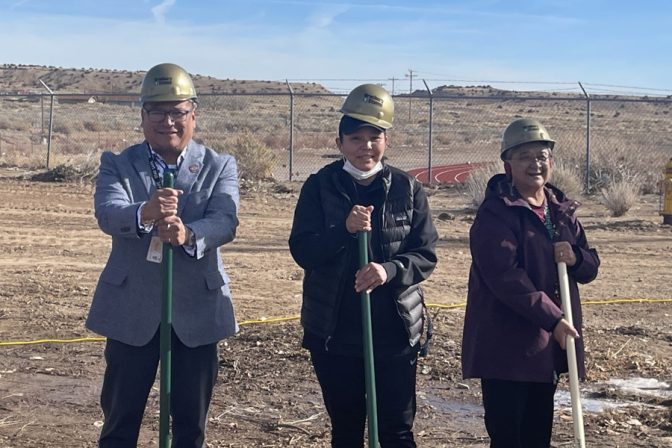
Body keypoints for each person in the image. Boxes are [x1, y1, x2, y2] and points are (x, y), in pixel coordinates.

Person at [87, 63, 240, 448]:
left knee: (190, 427)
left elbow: (225, 220)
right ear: (143, 116)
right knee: (120, 421)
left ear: (194, 115)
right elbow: (108, 213)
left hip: (197, 312)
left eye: (177, 112)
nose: (167, 121)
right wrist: (145, 212)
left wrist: (190, 234)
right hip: (131, 308)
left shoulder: (219, 165)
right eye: (157, 111)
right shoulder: (118, 164)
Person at [289, 84, 438, 447]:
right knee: (346, 429)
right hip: (335, 332)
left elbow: (425, 253)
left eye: (374, 137)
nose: (365, 146)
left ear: (386, 141)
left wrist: (389, 270)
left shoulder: (407, 188)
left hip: (394, 332)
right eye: (356, 138)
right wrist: (343, 230)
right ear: (340, 142)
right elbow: (303, 251)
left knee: (396, 431)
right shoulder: (319, 186)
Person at [461, 118, 600, 448]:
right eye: (524, 156)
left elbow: (590, 266)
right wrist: (553, 319)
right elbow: (506, 278)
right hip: (506, 347)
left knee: (538, 435)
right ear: (507, 163)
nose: (535, 164)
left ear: (551, 162)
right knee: (510, 437)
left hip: (546, 348)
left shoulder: (560, 209)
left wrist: (576, 258)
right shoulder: (496, 213)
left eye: (542, 155)